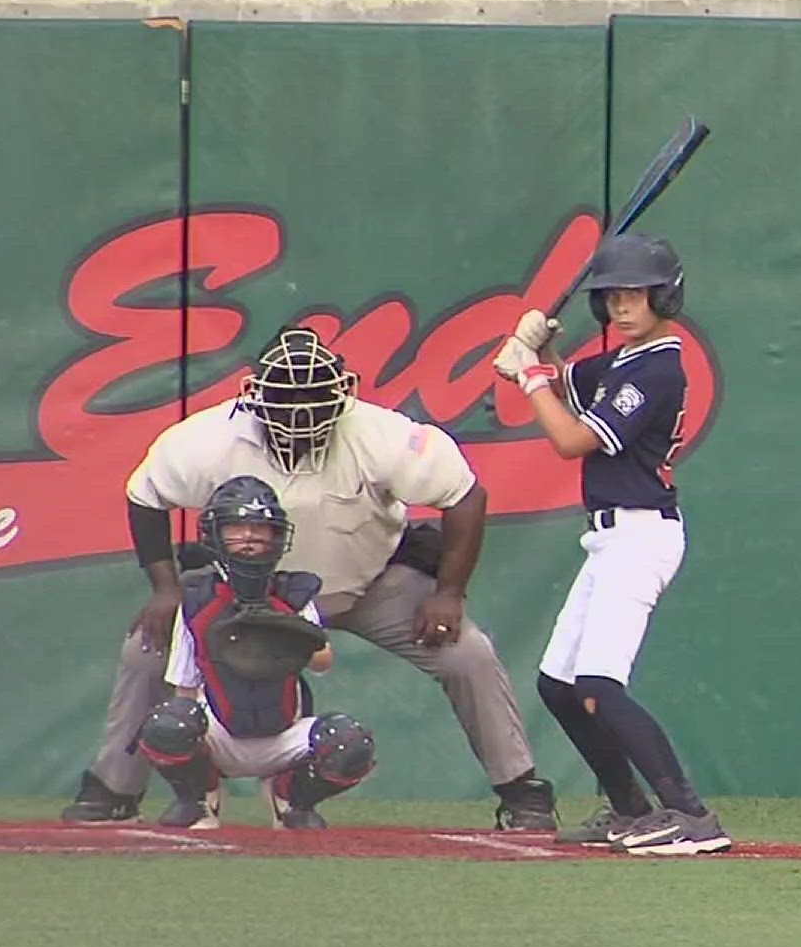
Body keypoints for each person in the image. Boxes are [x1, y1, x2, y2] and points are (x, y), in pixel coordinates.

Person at [60, 326, 559, 830]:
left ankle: (520, 790)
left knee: (466, 652)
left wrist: (449, 593)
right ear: (254, 396)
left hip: (366, 584)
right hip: (243, 591)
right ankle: (114, 787)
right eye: (286, 401)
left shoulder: (381, 434)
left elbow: (465, 495)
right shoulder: (206, 440)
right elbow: (146, 497)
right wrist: (167, 589)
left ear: (342, 395)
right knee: (146, 648)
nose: (300, 414)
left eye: (313, 401)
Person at [490, 232, 731, 856]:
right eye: (612, 297)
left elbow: (571, 439)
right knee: (558, 685)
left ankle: (691, 815)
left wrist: (529, 377)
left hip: (641, 534)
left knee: (597, 684)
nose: (622, 307)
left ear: (665, 297)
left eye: (635, 295)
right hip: (609, 537)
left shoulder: (658, 367)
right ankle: (628, 808)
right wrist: (540, 350)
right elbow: (568, 383)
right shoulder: (624, 361)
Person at [135, 475, 373, 830]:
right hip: (220, 731)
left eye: (259, 529)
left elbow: (323, 662)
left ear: (276, 536)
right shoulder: (197, 598)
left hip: (282, 735)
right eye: (237, 528)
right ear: (216, 534)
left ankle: (290, 797)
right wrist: (188, 737)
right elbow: (184, 684)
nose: (248, 537)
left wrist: (288, 634)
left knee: (349, 742)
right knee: (169, 721)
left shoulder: (293, 593)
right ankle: (201, 798)